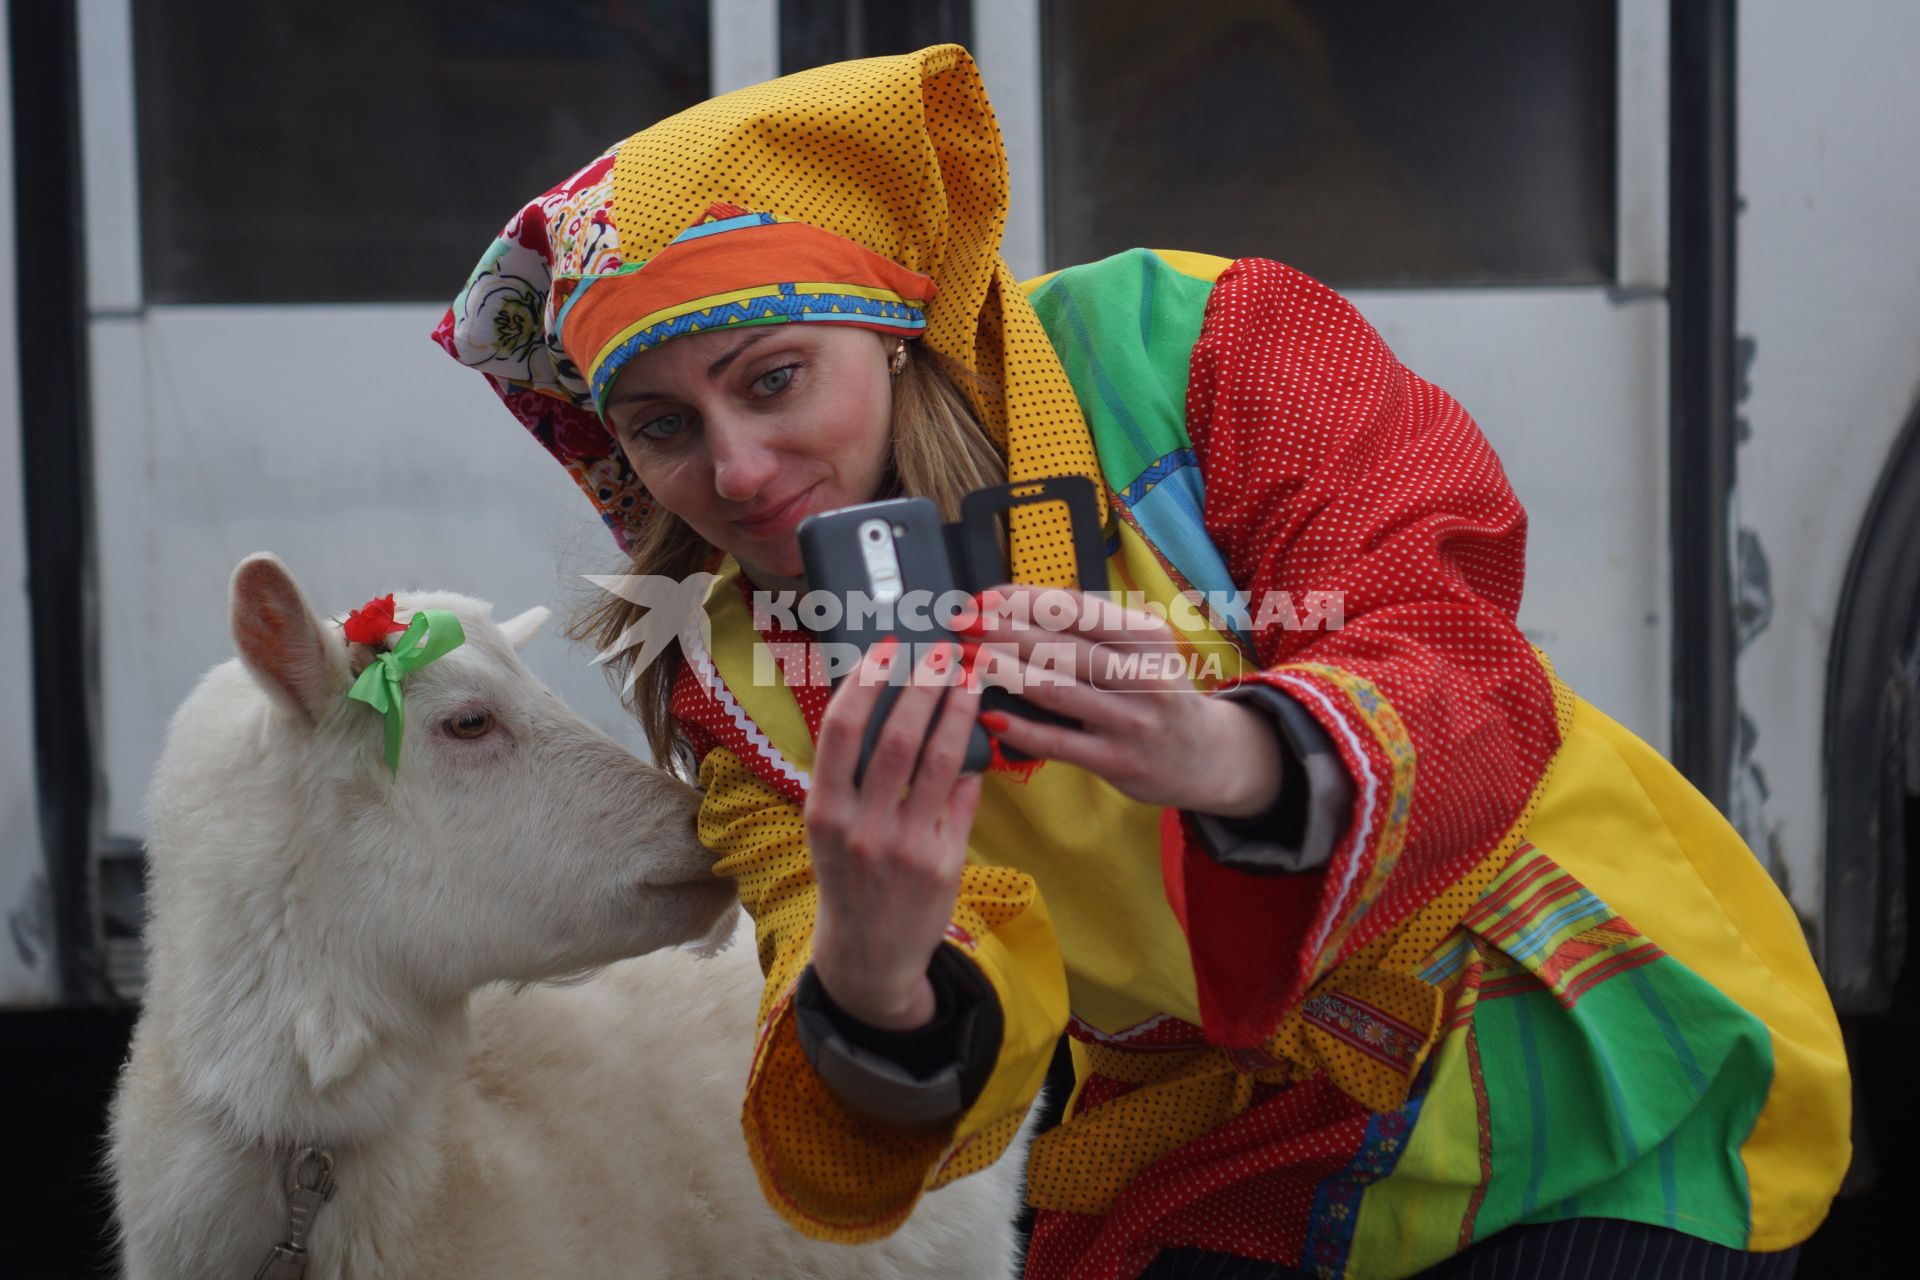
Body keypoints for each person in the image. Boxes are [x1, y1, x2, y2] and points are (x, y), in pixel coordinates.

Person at [436, 45, 1849, 1280]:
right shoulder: (738, 684)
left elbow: (1446, 634)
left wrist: (1233, 750)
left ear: (891, 318)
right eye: (662, 428)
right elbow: (894, 1096)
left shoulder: (1203, 344)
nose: (736, 472)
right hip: (1243, 1154)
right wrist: (871, 971)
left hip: (1584, 1051)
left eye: (772, 377)